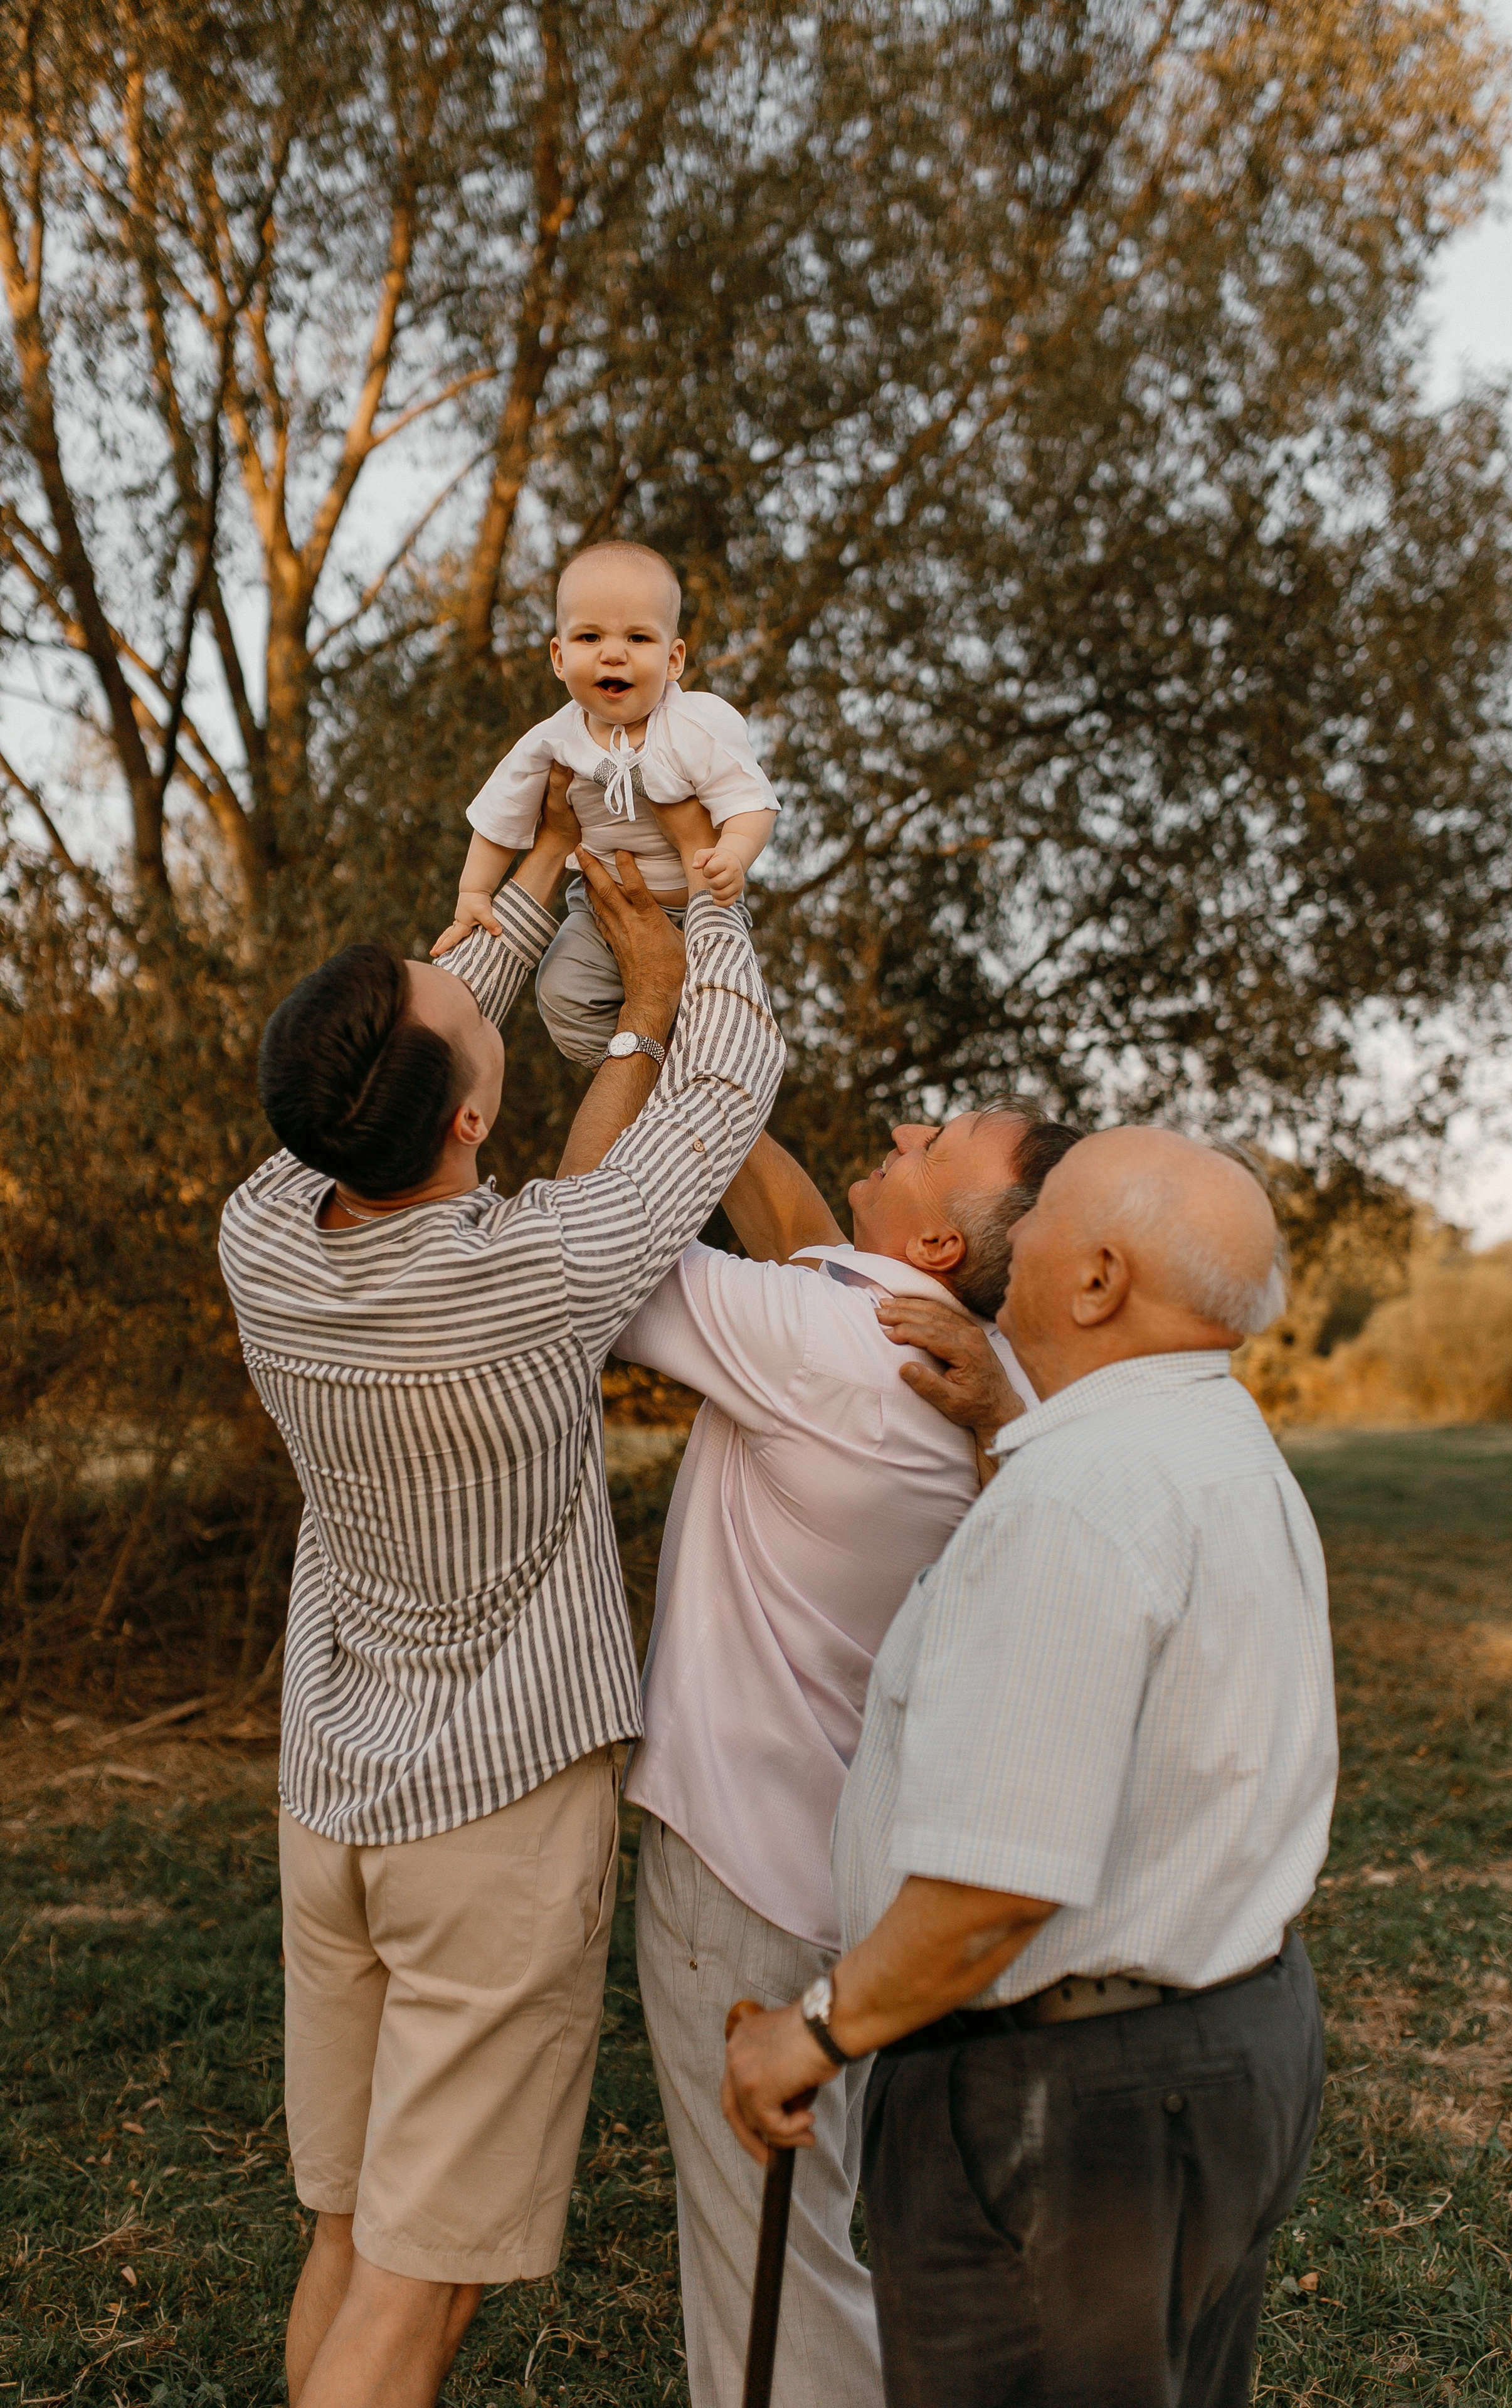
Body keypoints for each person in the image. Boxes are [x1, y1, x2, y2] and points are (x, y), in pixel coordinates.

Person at [218, 798, 783, 2408]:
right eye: (460, 992)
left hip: (332, 1789)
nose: (465, 963)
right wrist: (701, 920)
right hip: (492, 1817)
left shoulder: (266, 1226)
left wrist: (532, 870)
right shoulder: (537, 1271)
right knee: (417, 2280)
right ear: (467, 1122)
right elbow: (727, 1092)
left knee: (348, 2232)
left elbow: (424, 1039)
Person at [723, 1127, 1338, 2408]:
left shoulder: (1074, 1504)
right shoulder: (1216, 1438)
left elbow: (991, 1892)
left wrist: (813, 2035)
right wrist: (1008, 1418)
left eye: (1044, 1206)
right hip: (1233, 2036)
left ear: (1099, 1280)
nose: (1020, 1224)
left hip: (1071, 2113)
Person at [610, 1105, 1076, 2408]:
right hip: (865, 1876)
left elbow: (595, 1244)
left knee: (764, 2269)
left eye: (939, 1138)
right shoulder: (994, 1382)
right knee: (822, 2228)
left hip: (739, 1875)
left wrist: (649, 1047)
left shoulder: (822, 1337)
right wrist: (712, 1093)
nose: (902, 1119)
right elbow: (797, 1230)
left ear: (934, 1240)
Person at [433, 541, 778, 1063]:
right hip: (596, 911)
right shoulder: (553, 739)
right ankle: (648, 1072)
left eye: (638, 638)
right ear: (558, 656)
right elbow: (500, 815)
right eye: (589, 636)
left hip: (696, 908)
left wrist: (734, 853)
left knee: (723, 1012)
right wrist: (474, 890)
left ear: (674, 659)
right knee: (561, 993)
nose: (612, 653)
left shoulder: (695, 725)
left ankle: (700, 1064)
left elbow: (751, 801)